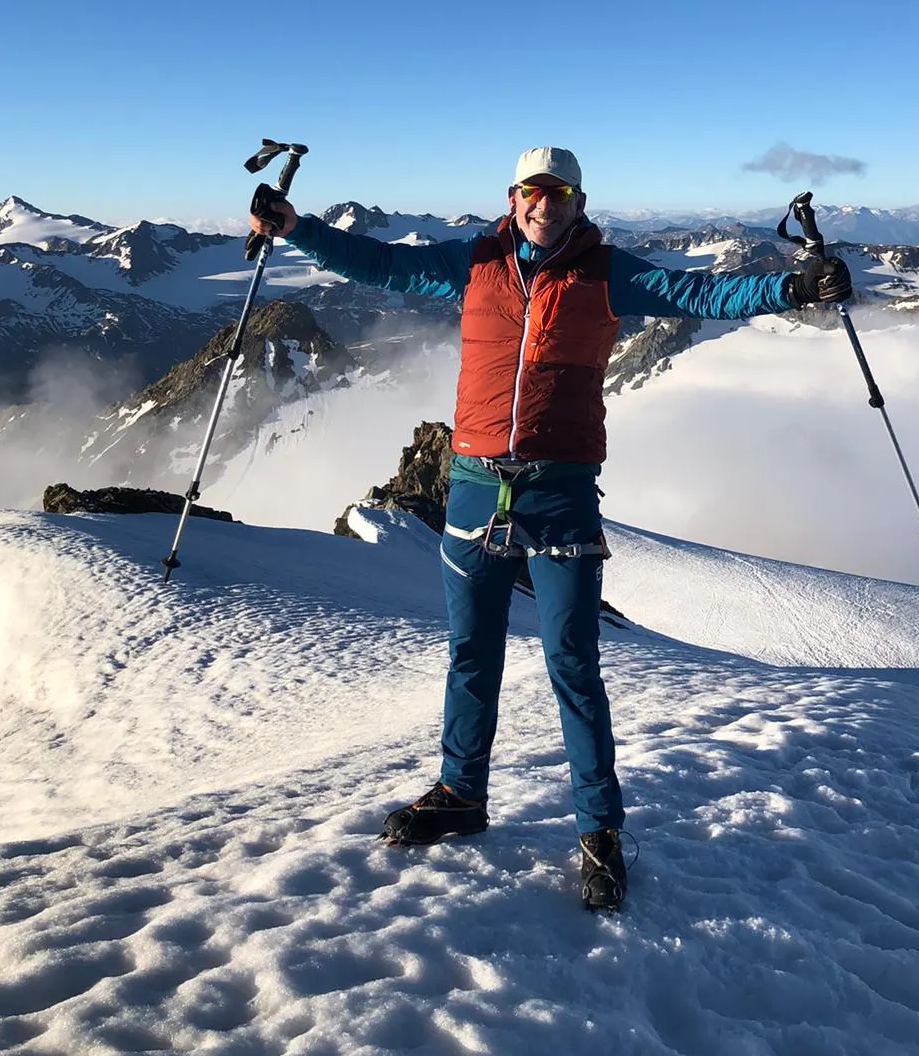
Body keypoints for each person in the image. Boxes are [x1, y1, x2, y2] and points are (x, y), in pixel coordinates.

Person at [250, 146, 851, 910]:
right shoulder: (475, 260)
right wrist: (298, 230)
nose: (544, 203)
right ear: (513, 197)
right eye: (533, 191)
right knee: (472, 652)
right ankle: (461, 793)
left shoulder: (606, 270)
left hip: (561, 493)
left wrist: (793, 288)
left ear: (578, 199)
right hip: (472, 485)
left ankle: (599, 831)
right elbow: (378, 265)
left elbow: (700, 292)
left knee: (573, 658)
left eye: (558, 192)